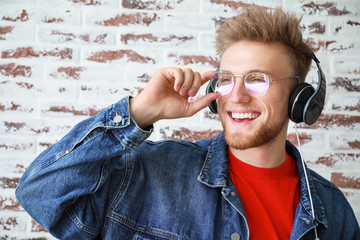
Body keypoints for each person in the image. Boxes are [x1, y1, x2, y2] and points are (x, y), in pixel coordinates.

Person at [16, 6, 359, 240]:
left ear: (301, 100)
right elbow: (39, 193)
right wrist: (139, 113)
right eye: (226, 79)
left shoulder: (333, 214)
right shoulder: (152, 173)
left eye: (257, 79)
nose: (235, 96)